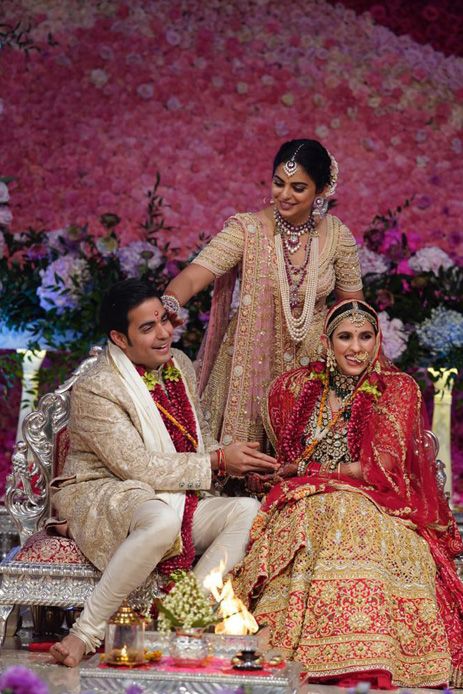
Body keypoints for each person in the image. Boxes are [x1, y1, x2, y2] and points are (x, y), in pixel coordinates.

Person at [231, 299, 463, 688]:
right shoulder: (297, 390)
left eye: (365, 337)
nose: (356, 348)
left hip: (377, 502)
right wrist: (272, 475)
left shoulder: (397, 388)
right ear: (328, 342)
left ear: (377, 341)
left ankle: (366, 652)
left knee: (345, 512)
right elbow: (282, 458)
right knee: (312, 516)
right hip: (304, 500)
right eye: (345, 337)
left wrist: (308, 473)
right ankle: (279, 639)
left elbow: (379, 467)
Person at [49, 278, 278, 667]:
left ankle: (180, 617)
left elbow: (198, 442)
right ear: (120, 339)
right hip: (106, 491)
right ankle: (85, 633)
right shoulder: (97, 387)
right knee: (160, 522)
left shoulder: (180, 366)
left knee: (246, 511)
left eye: (164, 321)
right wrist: (218, 462)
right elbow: (136, 465)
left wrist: (240, 464)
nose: (164, 334)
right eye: (148, 328)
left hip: (171, 494)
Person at [163, 139, 364, 448]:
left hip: (315, 368)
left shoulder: (337, 235)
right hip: (251, 362)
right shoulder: (247, 231)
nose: (284, 194)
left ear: (321, 190)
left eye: (298, 188)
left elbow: (353, 310)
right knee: (243, 474)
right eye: (278, 183)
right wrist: (167, 304)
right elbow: (192, 277)